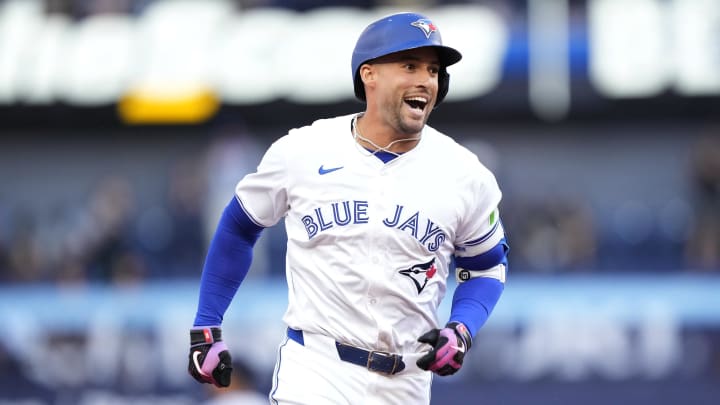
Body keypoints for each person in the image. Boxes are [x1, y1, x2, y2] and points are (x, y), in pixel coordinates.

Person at [188, 11, 509, 404]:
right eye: (410, 65)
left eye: (433, 70)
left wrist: (462, 328)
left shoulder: (465, 174)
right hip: (316, 371)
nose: (425, 79)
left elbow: (486, 266)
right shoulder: (303, 150)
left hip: (406, 382)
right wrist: (207, 324)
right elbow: (240, 226)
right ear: (369, 74)